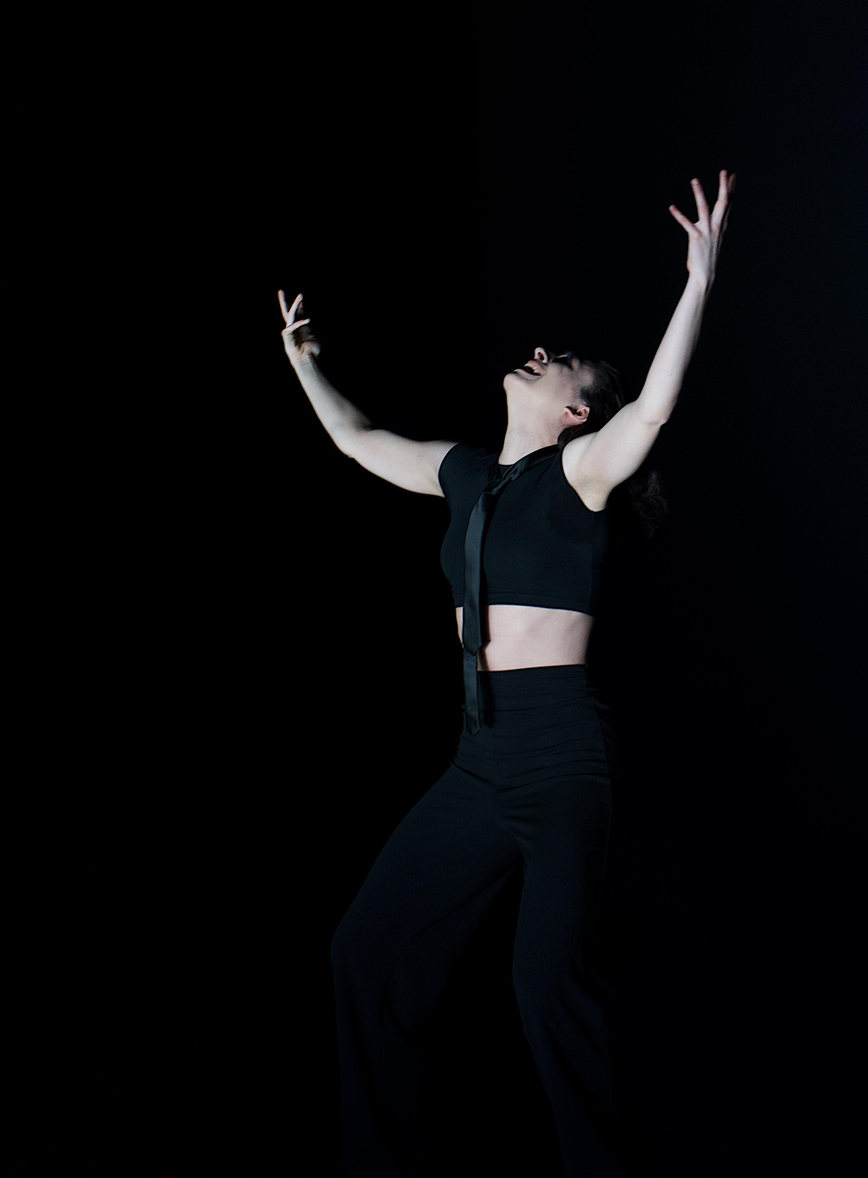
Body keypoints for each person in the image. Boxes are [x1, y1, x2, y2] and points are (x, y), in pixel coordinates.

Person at [279, 170, 735, 1176]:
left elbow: (652, 409)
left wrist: (697, 280)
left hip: (562, 757)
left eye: (558, 361)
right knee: (365, 950)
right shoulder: (467, 476)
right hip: (479, 758)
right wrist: (304, 363)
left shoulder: (582, 474)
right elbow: (357, 441)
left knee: (544, 986)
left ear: (575, 410)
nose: (538, 352)